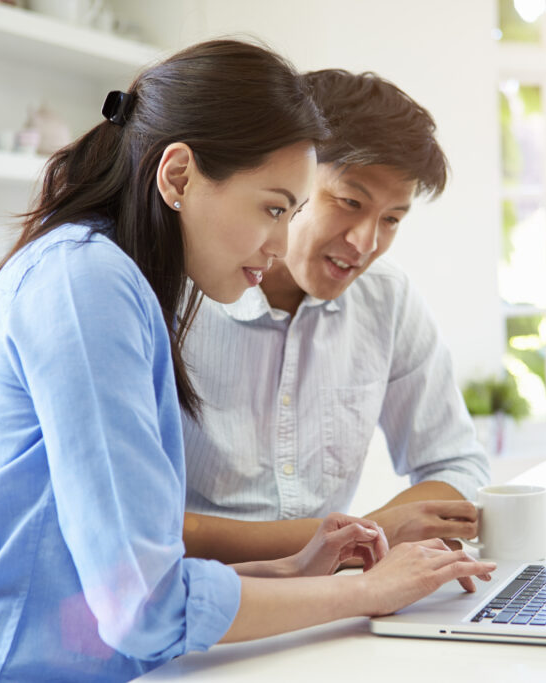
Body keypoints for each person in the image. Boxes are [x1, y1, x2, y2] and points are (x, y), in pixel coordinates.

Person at [0, 41, 495, 683]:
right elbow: (143, 606)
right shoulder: (86, 283)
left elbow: (137, 579)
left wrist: (295, 567)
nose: (282, 241)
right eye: (274, 208)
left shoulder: (119, 282)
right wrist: (366, 591)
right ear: (178, 176)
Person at [180, 69, 491, 565]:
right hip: (203, 604)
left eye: (392, 219)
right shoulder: (173, 295)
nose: (366, 243)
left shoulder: (386, 299)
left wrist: (362, 538)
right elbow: (145, 526)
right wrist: (364, 534)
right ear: (292, 176)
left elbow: (456, 463)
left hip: (332, 599)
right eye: (350, 202)